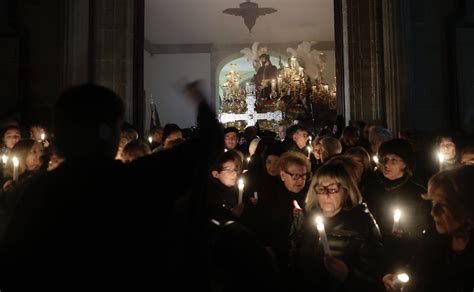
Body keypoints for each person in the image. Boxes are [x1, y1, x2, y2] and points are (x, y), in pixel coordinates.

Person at [292, 163, 384, 291]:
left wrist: (348, 275)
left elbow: (375, 275)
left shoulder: (362, 222)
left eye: (333, 189)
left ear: (346, 191)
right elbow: (295, 261)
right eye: (321, 189)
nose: (326, 195)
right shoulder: (307, 218)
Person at [383, 166, 474, 292]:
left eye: (442, 206)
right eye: (432, 202)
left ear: (466, 208)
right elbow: (417, 269)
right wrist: (397, 282)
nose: (432, 212)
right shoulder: (433, 235)